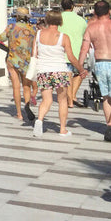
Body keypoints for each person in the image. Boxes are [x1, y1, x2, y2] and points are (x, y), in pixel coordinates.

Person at [32, 9, 82, 137]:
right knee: (62, 100)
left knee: (46, 100)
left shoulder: (38, 35)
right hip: (60, 71)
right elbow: (71, 57)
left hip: (43, 71)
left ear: (47, 20)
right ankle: (63, 129)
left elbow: (34, 55)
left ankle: (39, 120)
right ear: (60, 21)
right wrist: (81, 69)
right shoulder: (63, 37)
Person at [79, 0, 111, 141]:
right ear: (109, 11)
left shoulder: (90, 28)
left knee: (106, 98)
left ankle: (110, 127)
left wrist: (80, 68)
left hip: (100, 64)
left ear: (94, 13)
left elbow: (84, 49)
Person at [0, 7, 37, 122]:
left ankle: (19, 113)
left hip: (13, 60)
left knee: (16, 86)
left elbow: (0, 38)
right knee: (26, 86)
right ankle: (27, 106)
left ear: (17, 16)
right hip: (27, 61)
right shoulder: (33, 29)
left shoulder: (11, 27)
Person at [59, 0, 88, 106]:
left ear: (62, 7)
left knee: (68, 76)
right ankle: (72, 97)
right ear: (72, 7)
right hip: (78, 52)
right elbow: (86, 35)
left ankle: (70, 99)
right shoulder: (81, 20)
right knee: (80, 74)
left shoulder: (58, 19)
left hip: (62, 52)